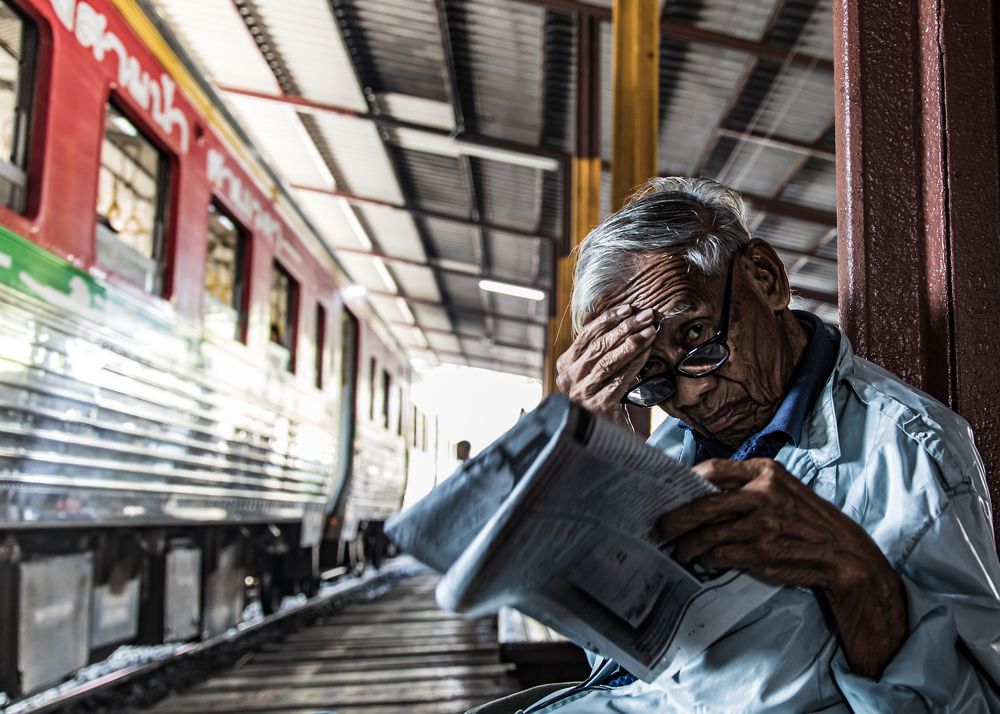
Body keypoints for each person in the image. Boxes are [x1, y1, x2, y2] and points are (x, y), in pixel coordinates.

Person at [467, 177, 1000, 712]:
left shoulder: (910, 452)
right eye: (651, 375)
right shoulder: (674, 442)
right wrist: (596, 464)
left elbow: (977, 702)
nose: (690, 394)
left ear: (765, 278)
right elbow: (615, 660)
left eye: (697, 335)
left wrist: (852, 570)